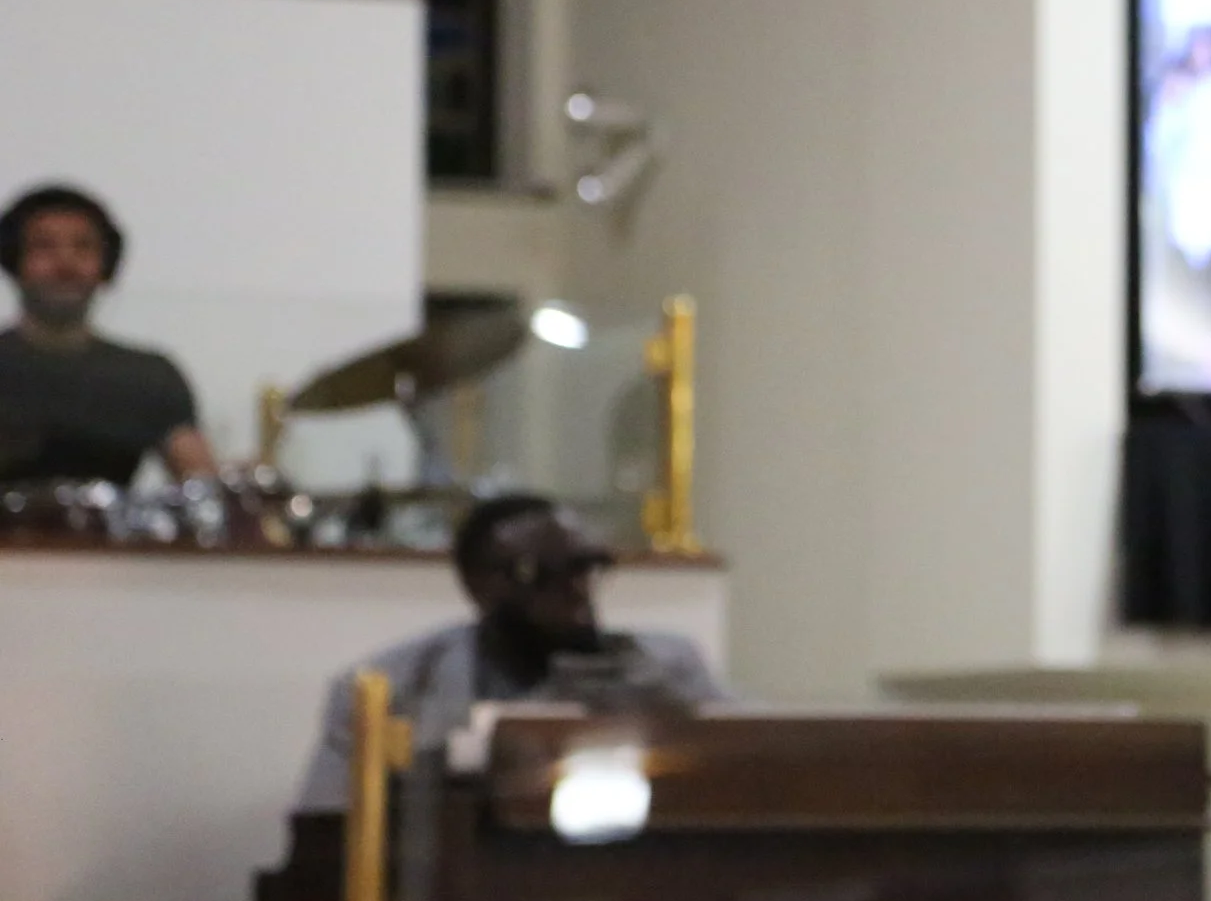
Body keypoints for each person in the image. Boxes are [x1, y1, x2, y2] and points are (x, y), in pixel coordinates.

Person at [297, 493, 727, 809]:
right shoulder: (390, 691)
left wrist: (665, 710)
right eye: (539, 573)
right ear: (476, 584)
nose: (574, 591)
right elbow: (326, 835)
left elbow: (749, 757)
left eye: (584, 568)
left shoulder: (667, 668)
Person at [0, 184, 215, 485]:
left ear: (106, 265)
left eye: (83, 247)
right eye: (44, 246)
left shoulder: (149, 376)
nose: (65, 264)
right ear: (14, 260)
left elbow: (200, 483)